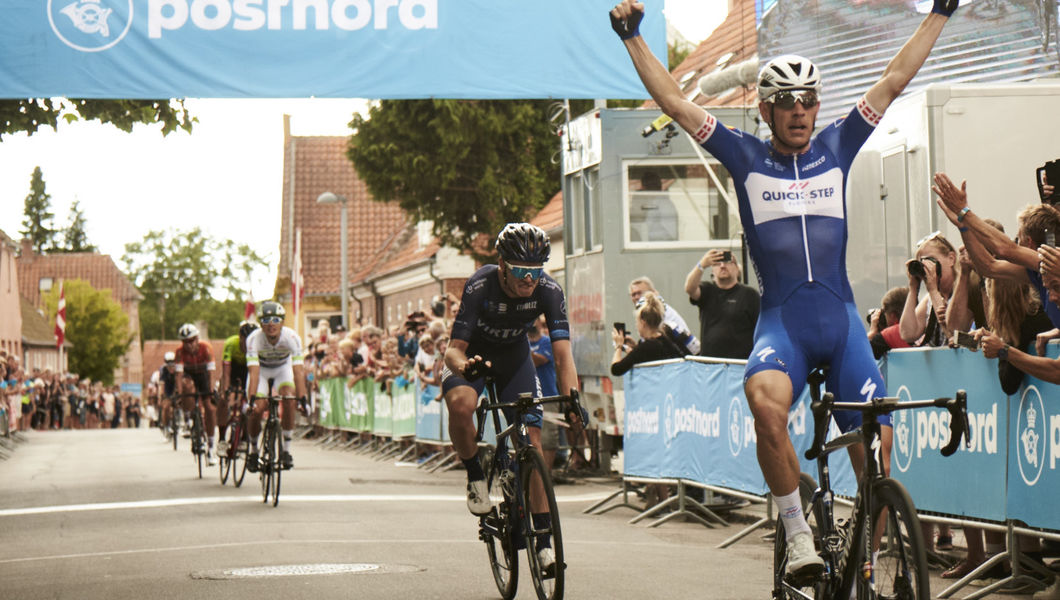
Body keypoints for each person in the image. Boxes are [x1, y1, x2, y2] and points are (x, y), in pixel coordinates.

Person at [609, 0, 958, 580]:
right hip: (784, 326)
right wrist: (632, 37)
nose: (799, 111)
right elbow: (674, 101)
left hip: (843, 324)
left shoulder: (838, 146)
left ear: (818, 105)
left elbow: (895, 79)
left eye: (808, 100)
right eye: (785, 103)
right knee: (765, 407)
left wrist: (941, 12)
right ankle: (797, 530)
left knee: (881, 451)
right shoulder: (744, 157)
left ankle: (863, 560)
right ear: (766, 112)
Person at [441, 222, 578, 573]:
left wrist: (573, 399)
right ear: (502, 265)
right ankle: (474, 475)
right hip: (473, 355)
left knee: (531, 440)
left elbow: (563, 357)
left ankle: (545, 546)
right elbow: (452, 352)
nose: (528, 279)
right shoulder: (480, 283)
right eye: (520, 270)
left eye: (535, 271)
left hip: (514, 357)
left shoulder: (548, 290)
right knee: (461, 405)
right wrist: (466, 366)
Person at [245, 301, 306, 472]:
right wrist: (251, 400)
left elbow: (299, 371)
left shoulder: (292, 337)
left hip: (282, 369)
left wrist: (302, 399)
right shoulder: (253, 339)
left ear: (282, 322)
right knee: (258, 409)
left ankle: (286, 450)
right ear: (261, 324)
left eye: (275, 319)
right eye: (266, 320)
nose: (271, 324)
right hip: (262, 371)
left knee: (288, 398)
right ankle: (254, 450)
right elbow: (254, 372)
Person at [684, 248, 760, 359]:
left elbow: (761, 329)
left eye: (728, 262)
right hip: (711, 365)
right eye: (717, 263)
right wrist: (702, 265)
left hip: (739, 365)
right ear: (712, 271)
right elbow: (689, 289)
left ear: (737, 269)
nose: (722, 266)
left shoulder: (750, 295)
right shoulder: (707, 290)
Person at [898, 232, 958, 348]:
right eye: (922, 262)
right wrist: (913, 289)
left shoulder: (963, 290)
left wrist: (933, 290)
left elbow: (953, 332)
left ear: (951, 258)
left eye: (931, 260)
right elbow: (908, 334)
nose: (927, 267)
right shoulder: (930, 298)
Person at [173, 323, 218, 464]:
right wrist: (180, 395)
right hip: (189, 375)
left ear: (197, 338)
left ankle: (210, 447)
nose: (189, 345)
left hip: (204, 375)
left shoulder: (206, 348)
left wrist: (210, 392)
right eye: (185, 342)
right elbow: (179, 376)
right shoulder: (179, 352)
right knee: (188, 388)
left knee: (210, 408)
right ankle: (189, 419)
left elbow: (211, 373)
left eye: (192, 340)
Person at [629, 276, 700, 355]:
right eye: (633, 295)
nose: (636, 297)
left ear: (653, 292)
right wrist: (634, 347)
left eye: (639, 293)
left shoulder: (659, 312)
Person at [220, 320, 258, 437]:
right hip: (234, 369)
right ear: (240, 337)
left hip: (249, 370)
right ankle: (221, 437)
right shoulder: (231, 343)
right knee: (224, 401)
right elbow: (226, 372)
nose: (248, 344)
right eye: (246, 340)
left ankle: (245, 437)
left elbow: (257, 373)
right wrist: (226, 389)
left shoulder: (258, 345)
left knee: (248, 403)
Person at [866, 286, 910, 359]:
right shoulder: (923, 327)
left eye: (885, 313)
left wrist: (872, 332)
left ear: (893, 316)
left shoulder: (890, 334)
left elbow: (859, 353)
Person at [156, 351, 179, 436]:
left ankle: (184, 421)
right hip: (167, 390)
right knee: (166, 407)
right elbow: (161, 384)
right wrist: (160, 396)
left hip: (176, 388)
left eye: (172, 364)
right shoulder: (163, 370)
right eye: (168, 365)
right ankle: (166, 426)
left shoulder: (178, 369)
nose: (171, 367)